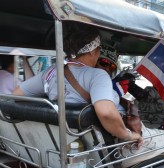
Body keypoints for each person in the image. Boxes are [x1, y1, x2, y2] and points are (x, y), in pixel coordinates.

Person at [13, 23, 143, 148]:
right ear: (92, 51)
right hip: (101, 146)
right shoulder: (98, 75)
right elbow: (106, 113)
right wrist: (129, 135)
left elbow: (15, 95)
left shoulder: (49, 73)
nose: (98, 53)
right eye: (99, 49)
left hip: (60, 142)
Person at [95, 44, 164, 168]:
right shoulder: (99, 85)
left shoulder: (77, 85)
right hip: (120, 147)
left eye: (112, 66)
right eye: (103, 62)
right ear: (93, 59)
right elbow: (107, 115)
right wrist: (132, 135)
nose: (107, 69)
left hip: (104, 147)